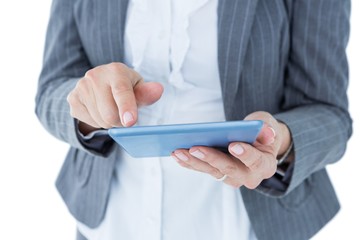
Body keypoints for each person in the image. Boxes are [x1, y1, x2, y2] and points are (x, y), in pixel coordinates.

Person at [35, 0, 352, 239]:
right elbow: (53, 87)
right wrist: (89, 109)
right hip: (109, 222)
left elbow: (329, 114)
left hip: (244, 225)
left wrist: (277, 141)